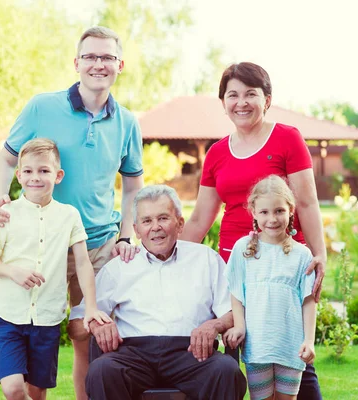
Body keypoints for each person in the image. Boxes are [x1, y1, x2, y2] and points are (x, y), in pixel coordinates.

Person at [0, 26, 144, 399]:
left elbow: (133, 186)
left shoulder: (127, 122)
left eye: (107, 57)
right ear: (77, 63)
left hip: (98, 244)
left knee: (89, 335)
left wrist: (125, 235)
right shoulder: (42, 107)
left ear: (119, 65)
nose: (98, 64)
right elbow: (5, 160)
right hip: (45, 244)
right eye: (90, 56)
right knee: (29, 337)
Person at [180, 61, 325, 399]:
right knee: (236, 349)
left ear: (267, 99)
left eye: (251, 94)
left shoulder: (287, 138)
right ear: (223, 102)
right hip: (237, 270)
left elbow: (306, 203)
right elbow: (201, 218)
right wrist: (161, 256)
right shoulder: (216, 153)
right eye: (233, 95)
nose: (241, 102)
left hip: (283, 265)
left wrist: (319, 255)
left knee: (293, 352)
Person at [68, 185, 247, 400]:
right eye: (147, 221)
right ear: (136, 230)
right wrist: (96, 325)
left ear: (180, 223)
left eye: (163, 218)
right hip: (133, 355)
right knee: (102, 370)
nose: (155, 227)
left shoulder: (206, 259)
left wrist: (214, 325)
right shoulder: (120, 266)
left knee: (225, 371)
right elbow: (76, 325)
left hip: (192, 353)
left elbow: (233, 312)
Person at [0, 138, 110, 400]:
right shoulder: (7, 214)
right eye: (27, 171)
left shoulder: (69, 215)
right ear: (18, 175)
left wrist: (91, 306)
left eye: (43, 171)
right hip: (8, 317)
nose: (35, 177)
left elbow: (83, 263)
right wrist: (13, 271)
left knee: (37, 393)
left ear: (58, 175)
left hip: (47, 319)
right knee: (14, 389)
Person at [223, 175, 316, 400]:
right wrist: (240, 326)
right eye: (264, 212)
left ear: (290, 210)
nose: (272, 219)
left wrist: (309, 340)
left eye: (279, 211)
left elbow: (308, 301)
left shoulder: (302, 254)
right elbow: (237, 293)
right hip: (258, 345)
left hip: (290, 344)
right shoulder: (243, 249)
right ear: (253, 212)